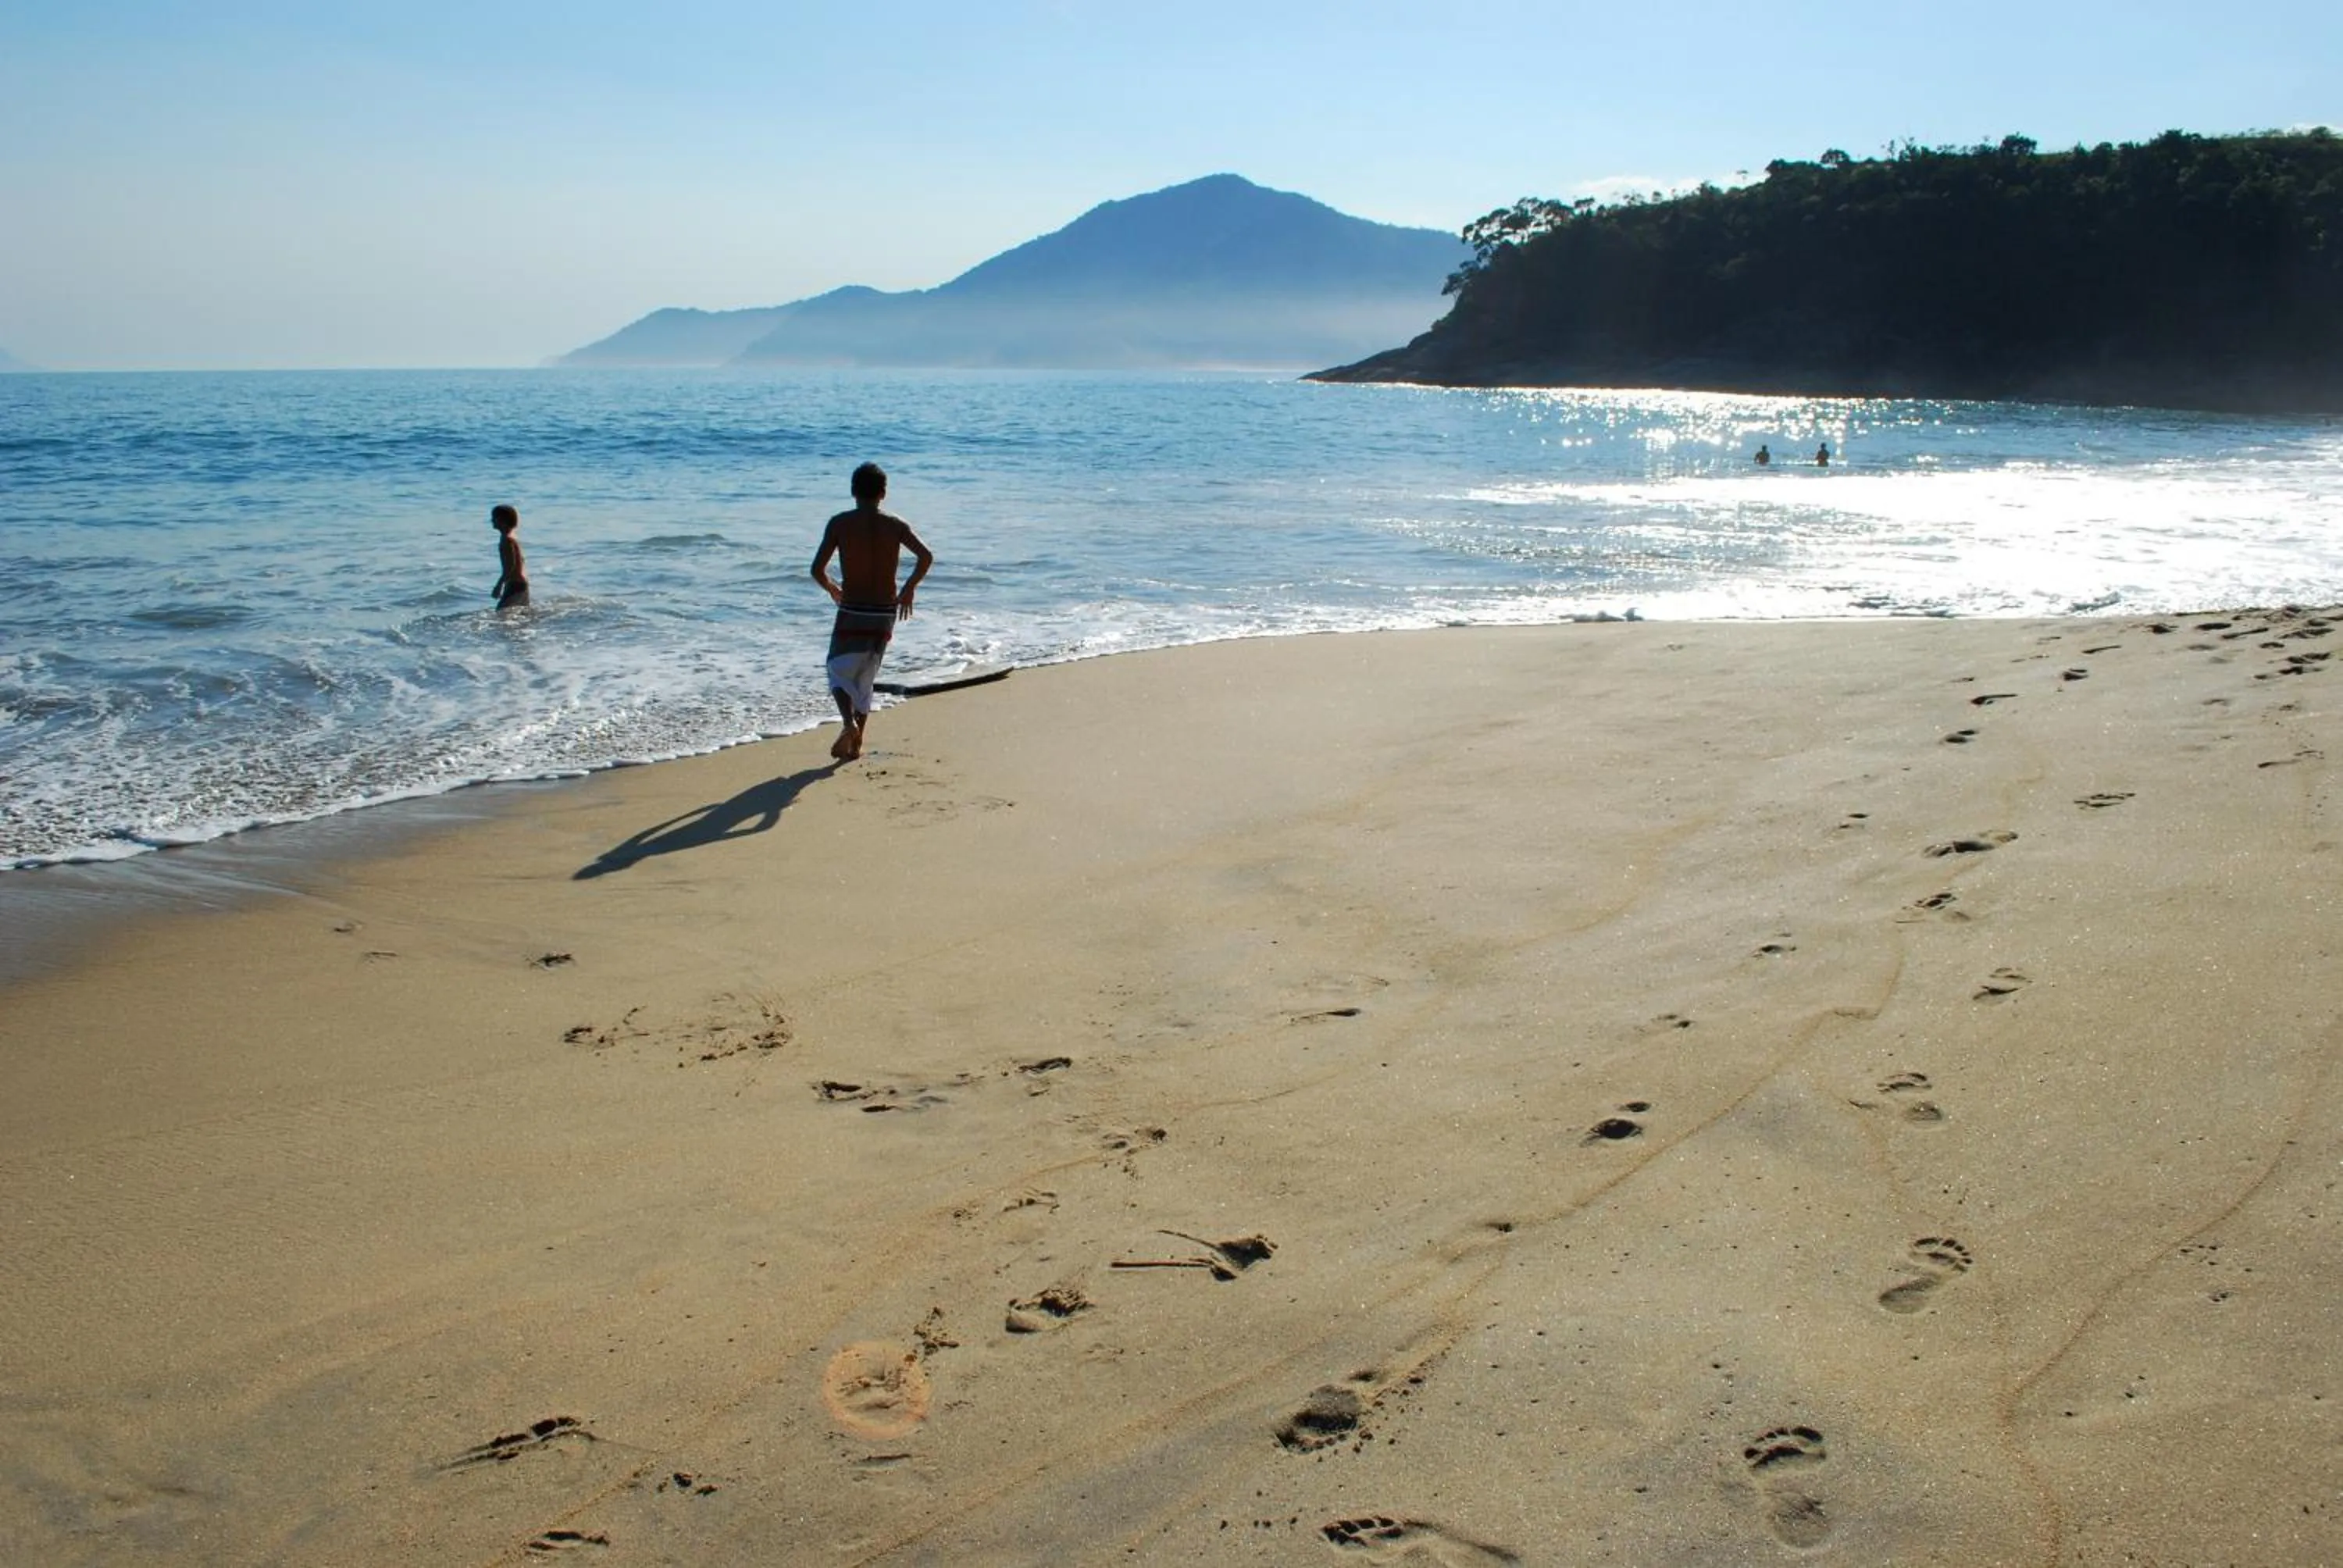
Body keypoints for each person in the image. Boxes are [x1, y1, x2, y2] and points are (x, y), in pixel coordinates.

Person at [811, 462, 933, 761]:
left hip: (853, 607)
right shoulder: (895, 525)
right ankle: (857, 743)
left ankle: (848, 722)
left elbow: (816, 569)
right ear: (883, 493)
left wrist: (831, 587)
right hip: (884, 610)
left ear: (853, 491)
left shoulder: (840, 523)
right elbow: (926, 557)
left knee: (837, 669)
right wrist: (908, 589)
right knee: (867, 672)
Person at [489, 504, 529, 609]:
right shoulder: (512, 536)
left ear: (503, 521)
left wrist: (499, 585)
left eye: (494, 518)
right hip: (520, 583)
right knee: (521, 614)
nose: (491, 520)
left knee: (501, 613)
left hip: (515, 584)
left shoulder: (507, 540)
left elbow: (511, 566)